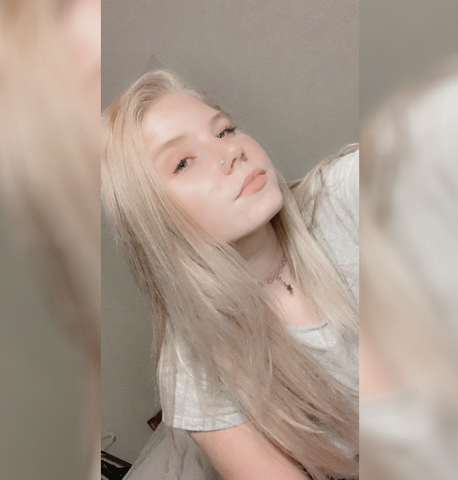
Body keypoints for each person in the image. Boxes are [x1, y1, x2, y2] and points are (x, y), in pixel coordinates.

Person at [102, 70, 359, 480]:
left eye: (223, 130)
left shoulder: (344, 197)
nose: (232, 151)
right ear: (153, 221)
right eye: (183, 162)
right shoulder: (192, 366)